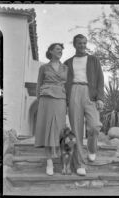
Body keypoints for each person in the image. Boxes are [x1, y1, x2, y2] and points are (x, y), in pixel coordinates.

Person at [64, 34, 104, 176]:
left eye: (84, 43)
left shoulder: (93, 60)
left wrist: (100, 98)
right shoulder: (68, 62)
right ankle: (80, 164)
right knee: (76, 130)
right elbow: (64, 83)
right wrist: (65, 101)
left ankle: (92, 149)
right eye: (79, 43)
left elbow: (100, 79)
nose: (82, 45)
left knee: (94, 126)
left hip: (90, 92)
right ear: (74, 44)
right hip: (74, 91)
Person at [35, 43, 67, 175]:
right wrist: (39, 100)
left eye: (61, 50)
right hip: (46, 98)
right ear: (51, 51)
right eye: (58, 49)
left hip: (60, 99)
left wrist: (69, 102)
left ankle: (63, 162)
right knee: (47, 128)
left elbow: (68, 85)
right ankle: (49, 163)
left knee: (59, 129)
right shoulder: (43, 67)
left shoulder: (66, 68)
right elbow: (38, 84)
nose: (60, 52)